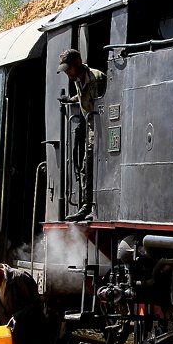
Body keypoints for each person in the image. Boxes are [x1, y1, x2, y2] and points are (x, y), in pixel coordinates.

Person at [57, 48, 106, 222]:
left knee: (91, 165)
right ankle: (86, 206)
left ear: (77, 63)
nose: (67, 73)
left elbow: (102, 103)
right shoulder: (78, 79)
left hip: (101, 127)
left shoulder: (96, 79)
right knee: (86, 166)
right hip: (91, 126)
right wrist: (70, 100)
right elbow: (83, 97)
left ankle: (94, 207)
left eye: (68, 69)